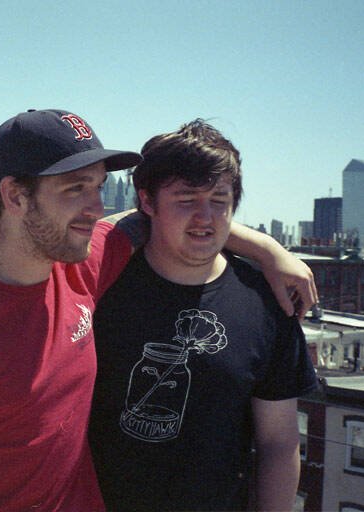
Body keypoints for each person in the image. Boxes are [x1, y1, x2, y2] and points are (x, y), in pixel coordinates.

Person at [0, 109, 318, 512]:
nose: (96, 208)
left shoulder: (83, 268)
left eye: (98, 187)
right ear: (15, 196)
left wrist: (270, 250)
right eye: (75, 189)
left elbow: (173, 217)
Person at [88, 119, 317, 511]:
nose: (205, 217)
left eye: (219, 200)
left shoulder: (267, 302)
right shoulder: (99, 286)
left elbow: (278, 442)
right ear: (147, 202)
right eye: (186, 199)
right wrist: (266, 246)